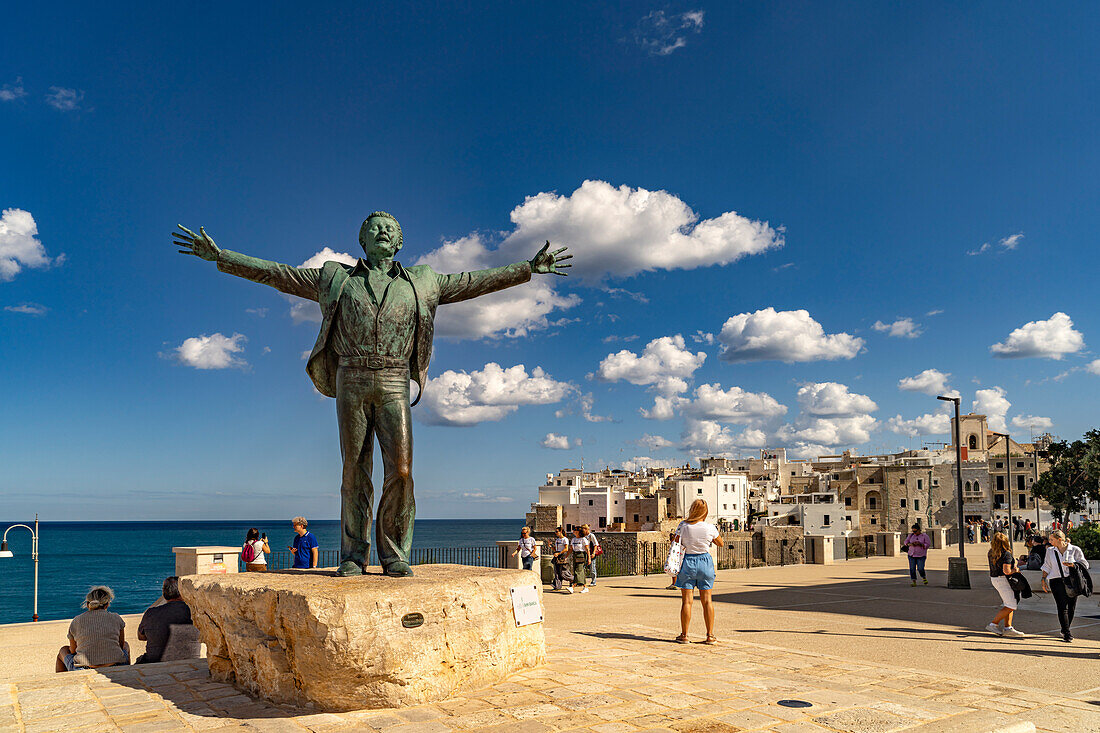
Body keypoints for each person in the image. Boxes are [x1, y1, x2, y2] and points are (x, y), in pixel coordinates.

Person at [174, 217, 569, 578]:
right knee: (354, 469)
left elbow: (472, 282)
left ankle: (394, 553)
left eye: (389, 227)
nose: (382, 231)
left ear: (399, 240)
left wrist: (527, 269)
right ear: (362, 240)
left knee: (400, 471)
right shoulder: (335, 277)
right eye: (374, 227)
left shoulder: (423, 280)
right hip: (352, 375)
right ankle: (353, 555)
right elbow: (278, 275)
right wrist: (222, 257)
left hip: (396, 377)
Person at [673, 499, 724, 644]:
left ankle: (684, 635)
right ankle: (710, 635)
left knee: (687, 601)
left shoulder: (683, 525)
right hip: (705, 562)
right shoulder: (710, 527)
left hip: (687, 562)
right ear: (705, 512)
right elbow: (720, 543)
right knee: (707, 600)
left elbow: (676, 542)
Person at [56, 586, 130, 672]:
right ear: (107, 604)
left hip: (83, 668)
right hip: (116, 665)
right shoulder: (116, 618)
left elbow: (73, 651)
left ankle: (63, 681)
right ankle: (127, 672)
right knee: (126, 645)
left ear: (88, 604)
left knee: (63, 650)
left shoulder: (77, 620)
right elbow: (120, 646)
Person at [1040, 529, 1090, 643]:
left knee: (1071, 607)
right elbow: (1047, 565)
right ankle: (1067, 633)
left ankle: (1064, 628)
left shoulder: (1075, 549)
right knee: (1062, 607)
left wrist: (1073, 565)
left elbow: (1085, 564)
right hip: (1056, 581)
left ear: (1059, 539)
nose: (1050, 541)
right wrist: (1043, 579)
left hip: (1072, 581)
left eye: (1052, 539)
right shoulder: (1050, 551)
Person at [135, 577, 193, 664]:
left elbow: (141, 637)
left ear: (164, 593)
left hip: (154, 661)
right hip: (189, 660)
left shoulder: (151, 613)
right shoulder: (194, 612)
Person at [985, 532, 1026, 637]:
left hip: (995, 579)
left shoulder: (991, 552)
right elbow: (1007, 571)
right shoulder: (1006, 554)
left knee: (1008, 603)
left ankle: (1008, 627)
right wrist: (1015, 569)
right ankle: (993, 624)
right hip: (1003, 580)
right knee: (1011, 604)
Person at [568, 527, 590, 594]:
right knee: (577, 571)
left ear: (579, 532)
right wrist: (566, 556)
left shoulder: (583, 539)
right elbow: (571, 549)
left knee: (578, 571)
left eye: (575, 530)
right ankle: (585, 587)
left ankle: (572, 586)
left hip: (581, 555)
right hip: (575, 555)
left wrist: (589, 558)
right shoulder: (573, 539)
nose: (573, 531)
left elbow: (587, 549)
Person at [551, 526, 571, 591]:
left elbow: (566, 549)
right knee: (556, 572)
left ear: (561, 532)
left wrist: (559, 553)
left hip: (562, 556)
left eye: (557, 531)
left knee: (563, 572)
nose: (555, 533)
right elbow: (556, 549)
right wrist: (551, 546)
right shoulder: (557, 540)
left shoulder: (565, 539)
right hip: (557, 556)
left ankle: (573, 580)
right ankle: (557, 586)